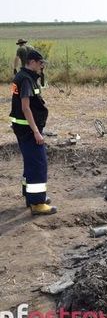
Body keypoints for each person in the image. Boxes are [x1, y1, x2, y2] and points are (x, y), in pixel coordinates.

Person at [10, 50, 56, 215]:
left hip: (22, 128)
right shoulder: (27, 79)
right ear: (32, 62)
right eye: (40, 62)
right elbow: (25, 107)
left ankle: (30, 195)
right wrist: (36, 132)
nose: (42, 65)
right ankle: (37, 203)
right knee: (38, 164)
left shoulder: (23, 76)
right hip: (29, 130)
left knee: (30, 162)